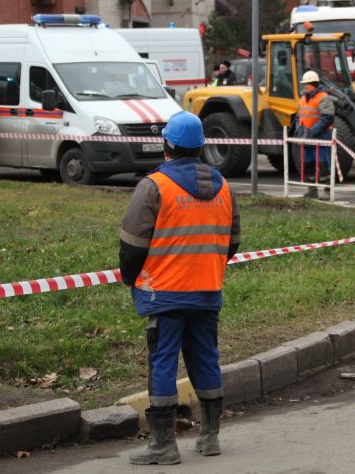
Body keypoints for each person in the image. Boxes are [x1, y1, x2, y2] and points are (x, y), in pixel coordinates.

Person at [119, 111, 241, 465]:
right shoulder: (223, 186)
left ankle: (162, 445)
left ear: (167, 144)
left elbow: (132, 244)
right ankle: (210, 436)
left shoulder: (153, 186)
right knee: (206, 358)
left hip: (164, 293)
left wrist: (131, 278)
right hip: (206, 290)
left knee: (163, 363)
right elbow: (232, 241)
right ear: (201, 147)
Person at [295, 70, 335, 199]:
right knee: (309, 164)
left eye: (307, 84)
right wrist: (299, 131)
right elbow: (299, 116)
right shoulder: (303, 98)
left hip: (321, 137)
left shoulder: (324, 97)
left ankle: (327, 192)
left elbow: (327, 118)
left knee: (323, 164)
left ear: (314, 84)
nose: (304, 86)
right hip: (307, 137)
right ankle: (312, 190)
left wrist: (311, 132)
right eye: (304, 84)